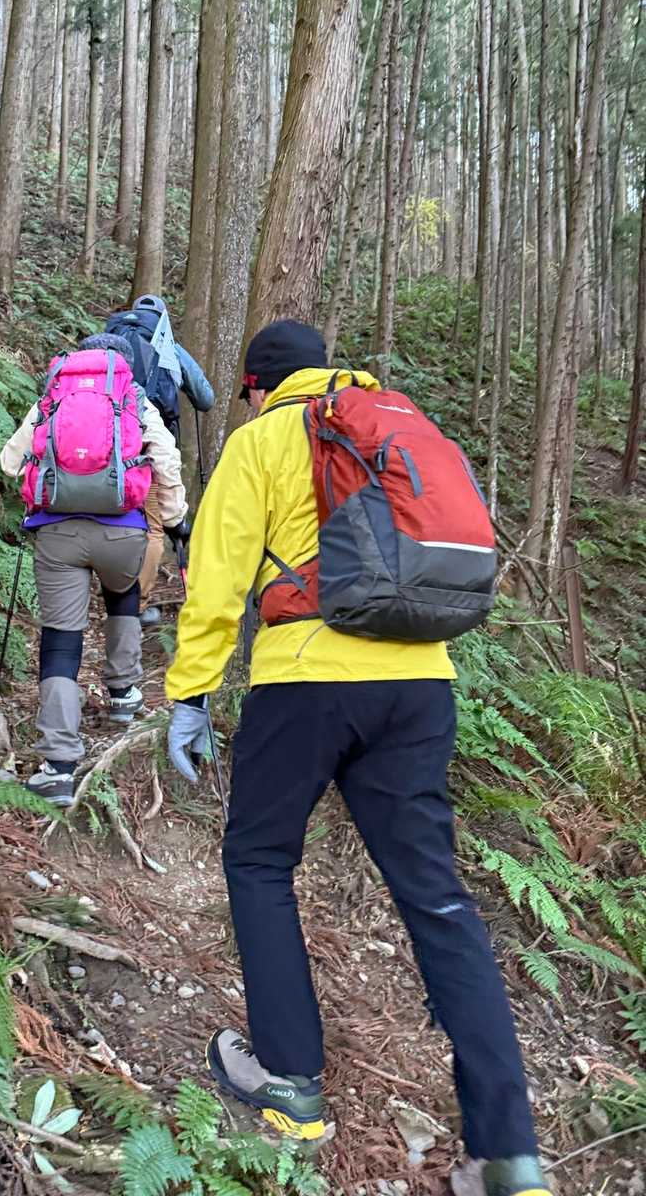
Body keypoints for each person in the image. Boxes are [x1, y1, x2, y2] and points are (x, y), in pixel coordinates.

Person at [162, 319, 548, 1196]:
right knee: (438, 896)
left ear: (257, 386)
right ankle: (508, 1153)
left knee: (260, 860)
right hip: (423, 685)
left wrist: (190, 694)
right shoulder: (397, 427)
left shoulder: (263, 438)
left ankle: (291, 1083)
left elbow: (217, 584)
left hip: (307, 679)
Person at [0, 332, 188, 807]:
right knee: (122, 593)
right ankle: (123, 692)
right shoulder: (134, 398)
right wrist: (174, 520)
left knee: (61, 641)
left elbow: (10, 461)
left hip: (57, 533)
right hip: (122, 533)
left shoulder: (55, 394)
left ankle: (58, 766)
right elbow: (166, 461)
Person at [105, 295, 214, 627]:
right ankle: (136, 607)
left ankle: (107, 589)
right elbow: (205, 398)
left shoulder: (109, 341)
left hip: (104, 445)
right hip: (149, 446)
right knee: (152, 528)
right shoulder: (168, 345)